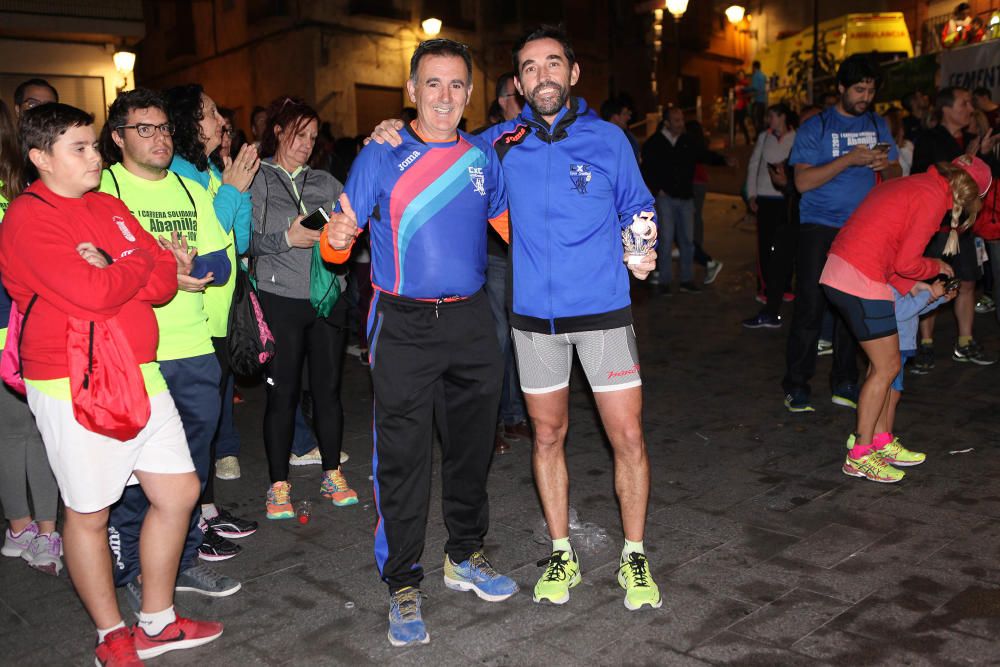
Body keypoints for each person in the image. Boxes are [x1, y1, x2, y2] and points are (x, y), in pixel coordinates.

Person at [369, 24, 661, 616]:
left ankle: (634, 553)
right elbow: (439, 141)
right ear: (518, 83)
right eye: (530, 68)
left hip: (603, 311)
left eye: (553, 64)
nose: (543, 76)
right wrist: (392, 130)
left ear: (573, 74)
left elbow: (638, 205)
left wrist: (644, 243)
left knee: (626, 437)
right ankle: (560, 551)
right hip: (532, 320)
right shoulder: (498, 144)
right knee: (546, 435)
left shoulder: (610, 140)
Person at [0, 102, 223, 665]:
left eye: (94, 145)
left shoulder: (107, 205)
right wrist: (126, 266)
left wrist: (111, 261)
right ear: (39, 157)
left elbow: (162, 283)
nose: (94, 155)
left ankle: (156, 621)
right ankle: (110, 635)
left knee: (178, 492)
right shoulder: (28, 217)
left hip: (139, 369)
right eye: (79, 147)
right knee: (89, 512)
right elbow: (102, 290)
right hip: (70, 378)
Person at [324, 38, 518, 647]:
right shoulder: (382, 153)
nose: (445, 97)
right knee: (403, 458)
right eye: (432, 84)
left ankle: (465, 555)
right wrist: (334, 236)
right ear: (411, 90)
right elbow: (336, 247)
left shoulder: (483, 156)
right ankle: (403, 581)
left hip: (470, 323)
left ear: (470, 94)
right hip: (402, 324)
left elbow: (517, 232)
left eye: (457, 85)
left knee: (470, 449)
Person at [98, 88, 249, 603]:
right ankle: (135, 569)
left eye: (162, 128)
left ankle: (182, 562)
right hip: (132, 355)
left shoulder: (188, 191)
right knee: (136, 472)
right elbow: (94, 269)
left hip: (191, 348)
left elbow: (221, 261)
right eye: (144, 129)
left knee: (190, 469)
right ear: (118, 138)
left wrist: (192, 272)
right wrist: (162, 272)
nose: (158, 138)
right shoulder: (104, 190)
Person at [820, 156, 990, 482]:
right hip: (861, 278)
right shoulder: (932, 197)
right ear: (967, 194)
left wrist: (917, 286)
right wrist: (935, 267)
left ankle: (880, 442)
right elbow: (908, 261)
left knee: (881, 365)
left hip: (845, 271)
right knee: (887, 367)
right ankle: (860, 455)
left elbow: (892, 258)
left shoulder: (915, 183)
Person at [249, 96, 357, 520]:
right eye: (299, 134)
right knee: (284, 394)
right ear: (278, 130)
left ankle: (333, 472)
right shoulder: (256, 180)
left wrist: (344, 236)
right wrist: (285, 239)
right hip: (281, 299)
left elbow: (354, 226)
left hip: (327, 296)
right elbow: (244, 241)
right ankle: (278, 485)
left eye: (313, 137)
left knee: (329, 392)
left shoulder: (327, 183)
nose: (306, 143)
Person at [163, 84, 259, 561]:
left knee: (214, 416)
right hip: (194, 317)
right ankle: (191, 525)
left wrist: (232, 188)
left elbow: (238, 239)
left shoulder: (206, 172)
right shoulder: (176, 176)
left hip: (220, 315)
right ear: (186, 123)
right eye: (211, 112)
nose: (222, 120)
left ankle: (206, 509)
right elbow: (206, 246)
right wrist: (233, 191)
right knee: (192, 427)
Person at [782, 54, 900, 413]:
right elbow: (801, 182)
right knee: (810, 307)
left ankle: (845, 380)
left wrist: (886, 166)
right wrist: (847, 159)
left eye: (871, 89)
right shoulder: (816, 127)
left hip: (861, 229)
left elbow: (896, 177)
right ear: (841, 89)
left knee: (852, 308)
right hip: (818, 225)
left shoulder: (878, 124)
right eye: (859, 89)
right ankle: (797, 383)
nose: (865, 96)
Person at [0, 99, 62, 576]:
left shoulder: (23, 189)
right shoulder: (20, 188)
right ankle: (31, 528)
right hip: (17, 323)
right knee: (22, 434)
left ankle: (33, 529)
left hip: (21, 322)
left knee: (27, 433)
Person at [910, 86, 1000, 371]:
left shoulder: (972, 139)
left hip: (965, 225)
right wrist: (966, 160)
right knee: (933, 281)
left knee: (967, 282)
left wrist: (983, 156)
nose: (970, 109)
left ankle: (965, 341)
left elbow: (987, 180)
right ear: (946, 108)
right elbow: (925, 177)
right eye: (964, 103)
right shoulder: (930, 139)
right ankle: (925, 344)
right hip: (937, 226)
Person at [475, 70, 529, 455]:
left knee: (519, 338)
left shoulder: (532, 137)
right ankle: (488, 424)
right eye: (517, 96)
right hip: (496, 255)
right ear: (504, 100)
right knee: (495, 341)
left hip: (527, 255)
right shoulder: (487, 141)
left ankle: (513, 416)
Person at [641, 106, 728, 294]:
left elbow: (704, 155)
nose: (681, 124)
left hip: (686, 197)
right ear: (667, 122)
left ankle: (686, 280)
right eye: (677, 120)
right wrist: (658, 189)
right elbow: (646, 168)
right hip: (666, 199)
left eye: (681, 119)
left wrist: (724, 160)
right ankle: (665, 280)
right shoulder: (655, 143)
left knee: (687, 240)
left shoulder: (688, 141)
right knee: (665, 239)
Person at [743, 103, 798, 328]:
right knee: (765, 246)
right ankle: (765, 288)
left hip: (786, 199)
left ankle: (785, 286)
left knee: (786, 246)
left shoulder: (795, 137)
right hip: (766, 198)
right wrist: (752, 194)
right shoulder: (764, 138)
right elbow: (754, 165)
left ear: (783, 117)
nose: (770, 120)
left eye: (773, 116)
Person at [687, 118, 727, 285]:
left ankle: (695, 247)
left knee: (691, 216)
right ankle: (694, 246)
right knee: (695, 217)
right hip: (699, 181)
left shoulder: (691, 144)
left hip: (695, 182)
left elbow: (706, 157)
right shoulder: (699, 142)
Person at [600, 95, 641, 160]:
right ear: (615, 117)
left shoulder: (629, 136)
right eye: (625, 114)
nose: (629, 118)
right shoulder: (600, 139)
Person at [749, 60, 768, 134]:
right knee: (761, 119)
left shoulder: (756, 75)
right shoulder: (763, 75)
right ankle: (760, 135)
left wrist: (745, 89)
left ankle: (759, 135)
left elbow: (754, 87)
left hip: (758, 100)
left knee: (755, 118)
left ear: (754, 67)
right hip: (764, 100)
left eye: (752, 67)